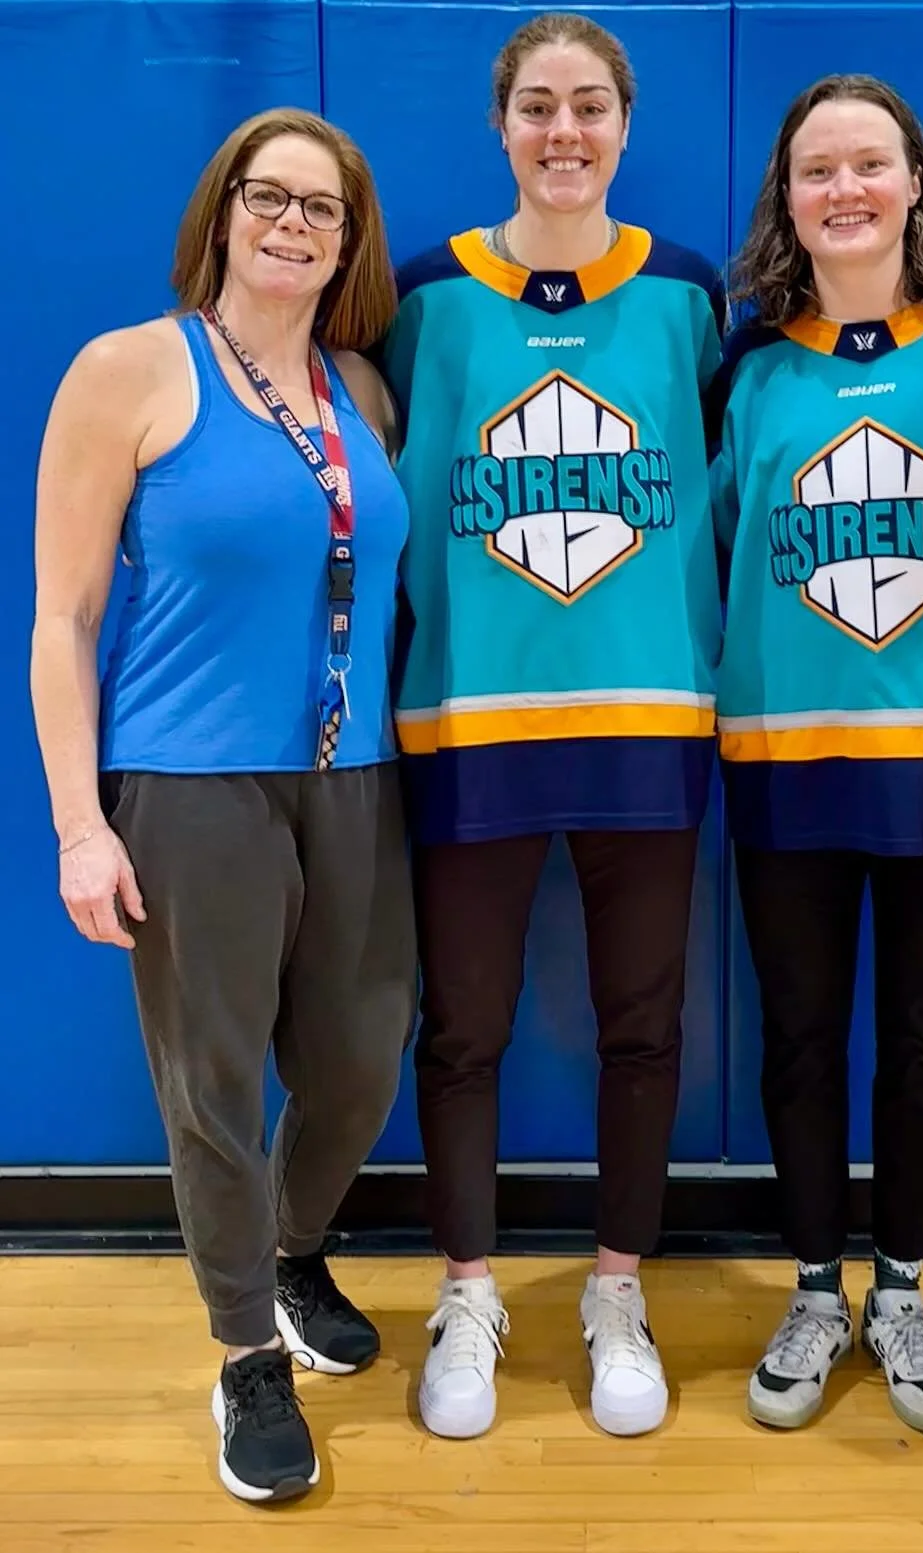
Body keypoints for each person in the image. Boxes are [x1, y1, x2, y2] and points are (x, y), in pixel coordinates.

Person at [29, 108, 415, 1504]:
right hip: (189, 783)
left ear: (348, 242)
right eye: (272, 197)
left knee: (364, 1056)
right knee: (212, 1083)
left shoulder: (363, 394)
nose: (294, 225)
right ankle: (247, 1349)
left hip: (358, 776)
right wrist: (82, 821)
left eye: (324, 209)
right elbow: (63, 619)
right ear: (225, 210)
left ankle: (294, 1247)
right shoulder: (131, 370)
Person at [381, 11, 725, 1441]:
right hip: (470, 720)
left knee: (643, 1024)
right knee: (462, 1028)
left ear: (627, 126)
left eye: (591, 106)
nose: (564, 131)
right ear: (500, 125)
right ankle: (469, 1291)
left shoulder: (691, 298)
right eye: (538, 107)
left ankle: (616, 1289)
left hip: (648, 722)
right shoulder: (422, 299)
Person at [711, 73, 923, 1434]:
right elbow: (717, 552)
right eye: (817, 170)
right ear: (785, 201)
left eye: (871, 164)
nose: (845, 190)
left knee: (922, 1039)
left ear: (917, 181)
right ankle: (813, 1285)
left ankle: (902, 1284)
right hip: (787, 761)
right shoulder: (745, 364)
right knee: (799, 1039)